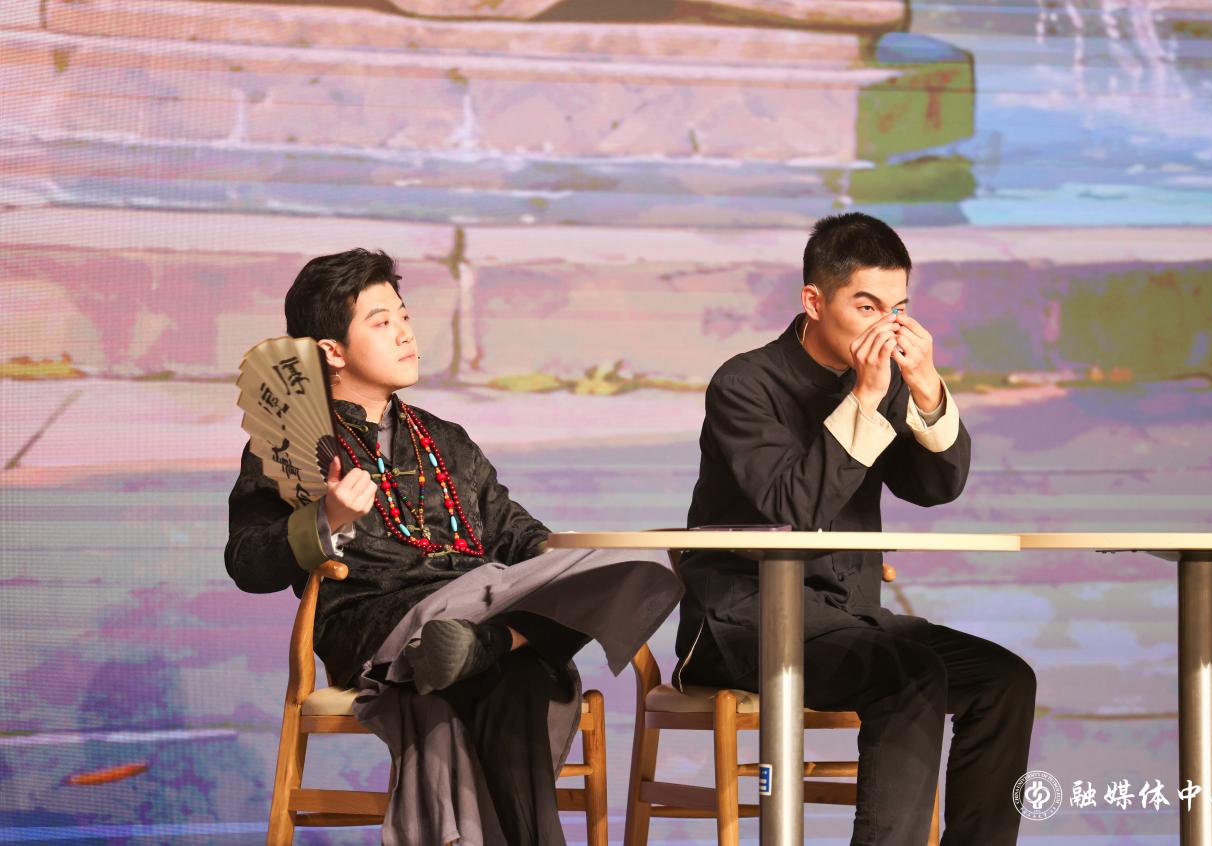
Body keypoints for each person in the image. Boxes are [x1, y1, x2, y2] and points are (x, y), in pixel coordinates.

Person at [225, 248, 679, 846]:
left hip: (476, 610)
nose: (405, 334)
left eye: (405, 317)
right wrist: (324, 519)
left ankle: (487, 644)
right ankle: (492, 642)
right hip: (377, 621)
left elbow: (516, 533)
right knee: (525, 669)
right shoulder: (291, 447)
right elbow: (246, 562)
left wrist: (572, 572)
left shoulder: (446, 440)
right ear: (332, 351)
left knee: (625, 573)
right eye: (382, 323)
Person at [674, 213, 1036, 846]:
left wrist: (926, 391)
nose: (885, 328)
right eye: (867, 307)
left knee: (1003, 680)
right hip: (739, 621)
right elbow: (793, 507)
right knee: (908, 673)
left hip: (846, 618)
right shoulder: (745, 383)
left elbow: (936, 487)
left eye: (899, 310)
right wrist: (866, 399)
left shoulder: (883, 381)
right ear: (814, 301)